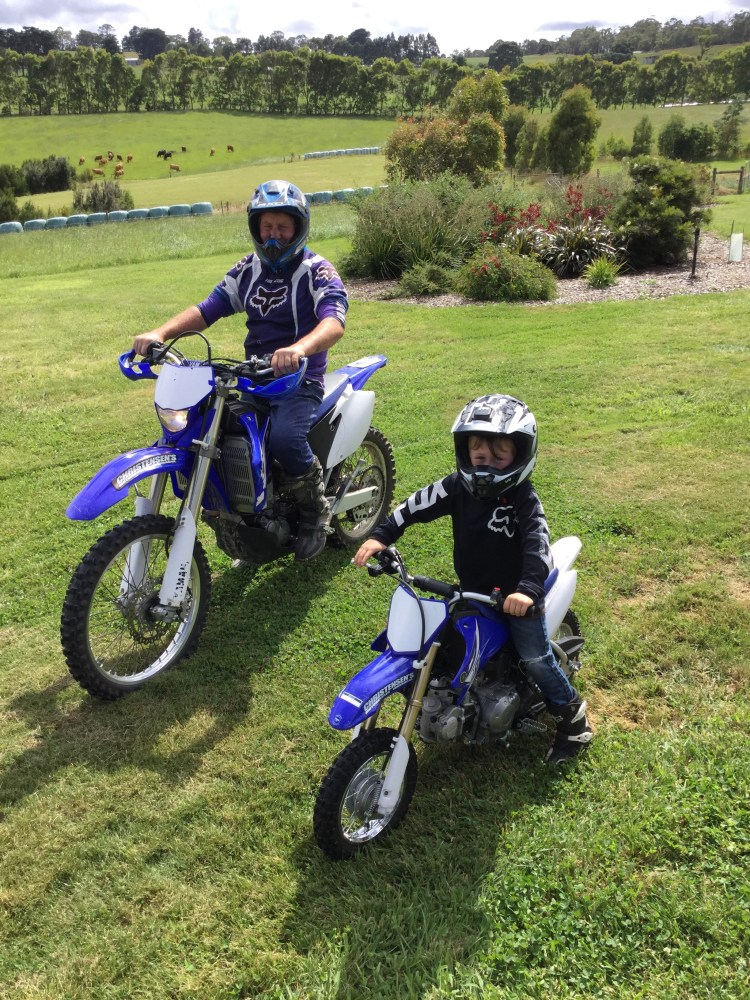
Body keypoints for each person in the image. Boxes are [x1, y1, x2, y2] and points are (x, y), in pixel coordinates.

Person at [353, 394, 593, 763]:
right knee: (443, 646)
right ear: (466, 454)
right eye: (479, 456)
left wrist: (527, 591)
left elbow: (538, 546)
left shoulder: (524, 499)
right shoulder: (456, 487)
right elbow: (414, 506)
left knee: (535, 659)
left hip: (516, 601)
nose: (487, 465)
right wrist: (381, 534)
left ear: (522, 454)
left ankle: (574, 722)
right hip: (473, 592)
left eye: (499, 457)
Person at [132, 179, 348, 561]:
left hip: (299, 383)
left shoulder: (318, 270)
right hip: (253, 379)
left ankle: (316, 510)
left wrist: (298, 349)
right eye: (266, 228)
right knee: (221, 436)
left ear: (299, 228)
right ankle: (249, 517)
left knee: (283, 439)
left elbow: (333, 321)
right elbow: (206, 309)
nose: (273, 238)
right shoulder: (247, 270)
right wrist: (160, 333)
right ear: (255, 228)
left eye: (283, 228)